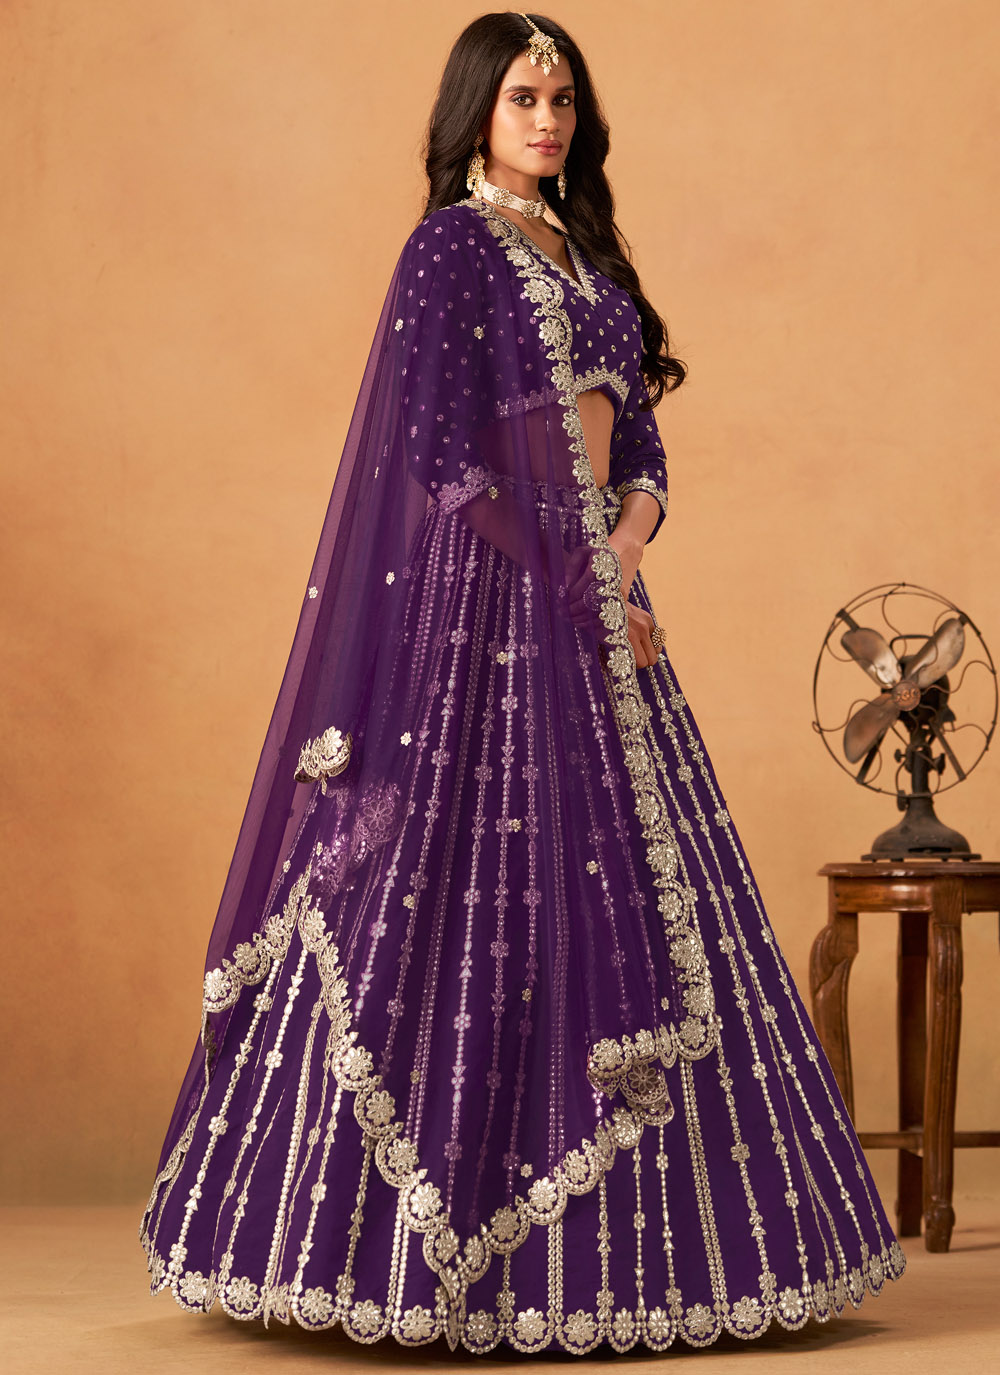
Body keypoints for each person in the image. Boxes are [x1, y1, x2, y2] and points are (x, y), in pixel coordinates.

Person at [140, 11, 905, 1356]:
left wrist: (619, 554)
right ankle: (396, 1248)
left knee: (627, 880)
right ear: (476, 115)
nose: (548, 120)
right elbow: (441, 454)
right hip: (491, 599)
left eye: (562, 99)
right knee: (455, 878)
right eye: (523, 99)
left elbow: (641, 442)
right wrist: (564, 574)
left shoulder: (587, 253)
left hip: (595, 590)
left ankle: (654, 1264)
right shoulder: (449, 248)